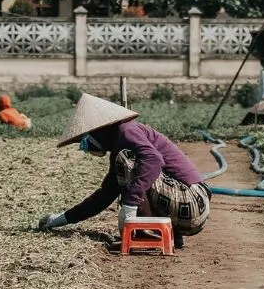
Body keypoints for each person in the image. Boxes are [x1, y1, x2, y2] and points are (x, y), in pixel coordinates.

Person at [37, 93, 211, 249]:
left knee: (127, 162)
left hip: (192, 202)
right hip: (186, 206)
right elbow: (104, 196)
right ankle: (166, 234)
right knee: (124, 167)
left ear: (97, 130)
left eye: (84, 140)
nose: (85, 147)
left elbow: (154, 160)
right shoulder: (119, 144)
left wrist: (130, 205)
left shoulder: (126, 132)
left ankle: (144, 233)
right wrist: (60, 219)